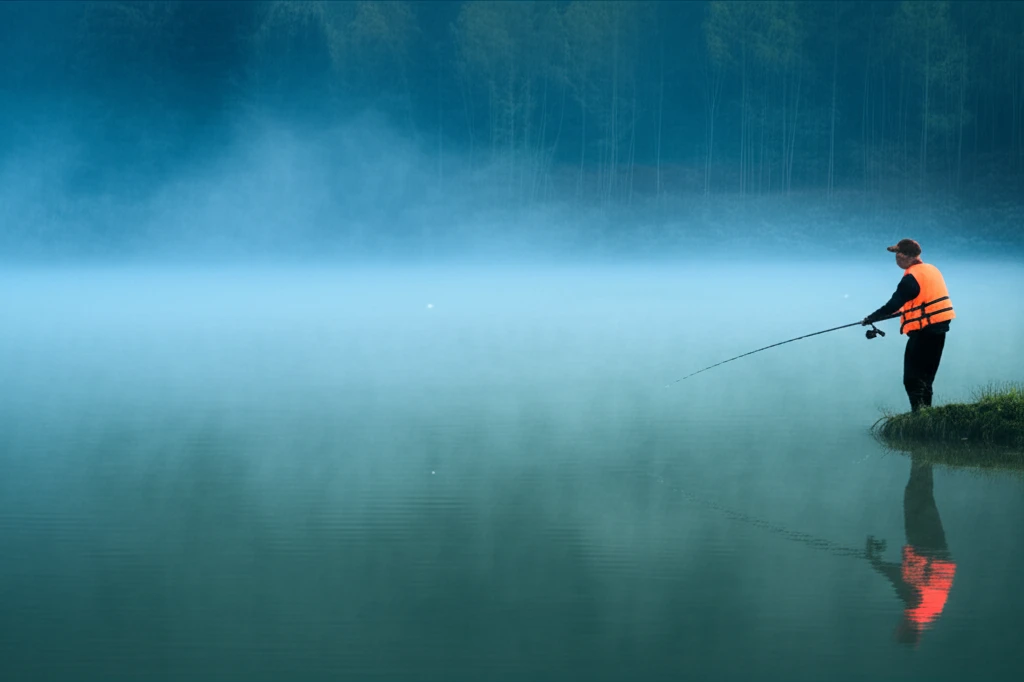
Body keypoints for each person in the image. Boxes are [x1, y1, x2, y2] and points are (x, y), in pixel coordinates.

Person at [866, 457, 956, 646]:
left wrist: (878, 561)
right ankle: (921, 455)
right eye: (899, 629)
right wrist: (876, 562)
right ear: (905, 629)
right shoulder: (915, 608)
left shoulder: (931, 613)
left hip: (938, 547)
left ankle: (925, 456)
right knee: (915, 496)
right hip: (924, 547)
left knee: (924, 496)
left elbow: (904, 579)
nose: (898, 625)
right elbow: (897, 577)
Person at [862, 239, 955, 412]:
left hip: (924, 332)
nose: (896, 258)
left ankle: (918, 416)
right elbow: (924, 301)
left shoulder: (911, 278)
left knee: (912, 379)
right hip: (939, 328)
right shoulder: (931, 270)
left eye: (898, 254)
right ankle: (926, 414)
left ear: (906, 256)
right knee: (926, 378)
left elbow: (893, 304)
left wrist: (871, 318)